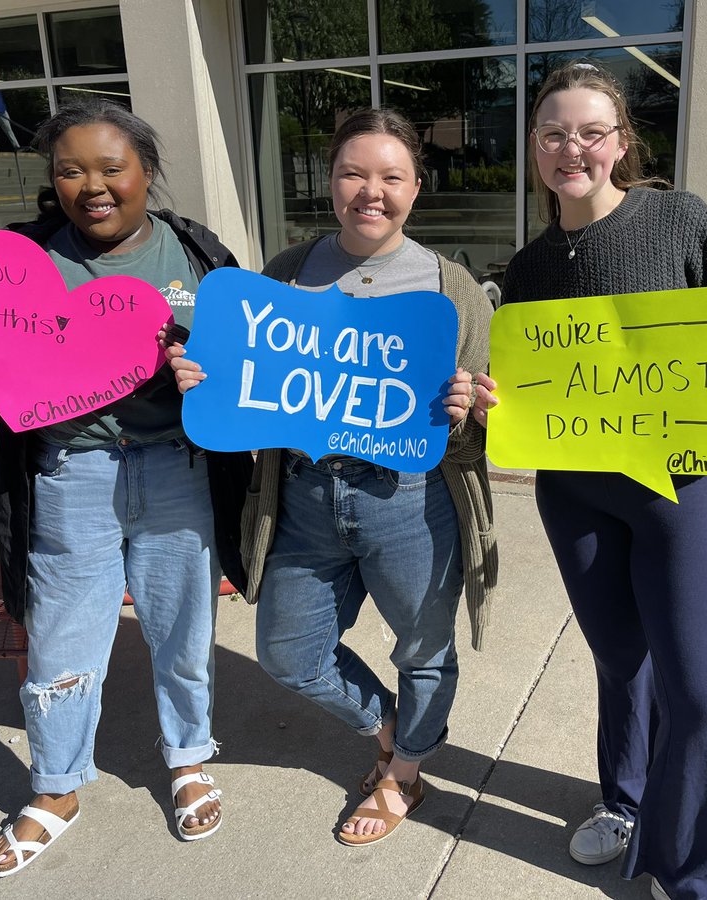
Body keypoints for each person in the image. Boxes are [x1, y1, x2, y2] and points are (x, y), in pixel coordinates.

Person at [470, 62, 707, 900]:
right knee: (621, 661)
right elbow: (519, 395)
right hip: (577, 495)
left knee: (698, 693)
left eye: (591, 131)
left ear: (620, 143)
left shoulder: (678, 220)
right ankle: (625, 801)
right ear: (533, 147)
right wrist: (495, 408)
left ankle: (699, 874)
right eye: (554, 131)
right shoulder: (525, 273)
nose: (573, 147)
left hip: (688, 490)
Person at [0, 98, 252, 877]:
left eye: (110, 167)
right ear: (52, 181)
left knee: (182, 631)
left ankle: (187, 759)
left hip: (175, 469)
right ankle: (55, 789)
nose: (92, 185)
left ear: (145, 173)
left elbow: (245, 364)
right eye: (69, 169)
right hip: (68, 473)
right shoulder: (14, 258)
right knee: (60, 640)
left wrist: (207, 372)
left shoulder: (199, 255)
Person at [169, 108, 496, 845]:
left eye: (390, 176)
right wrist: (205, 378)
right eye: (353, 173)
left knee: (423, 648)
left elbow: (479, 439)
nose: (369, 192)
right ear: (330, 182)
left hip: (411, 502)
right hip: (306, 498)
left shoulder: (451, 289)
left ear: (416, 185)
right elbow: (248, 383)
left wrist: (468, 414)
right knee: (288, 654)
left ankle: (405, 772)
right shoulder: (286, 272)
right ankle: (389, 727)